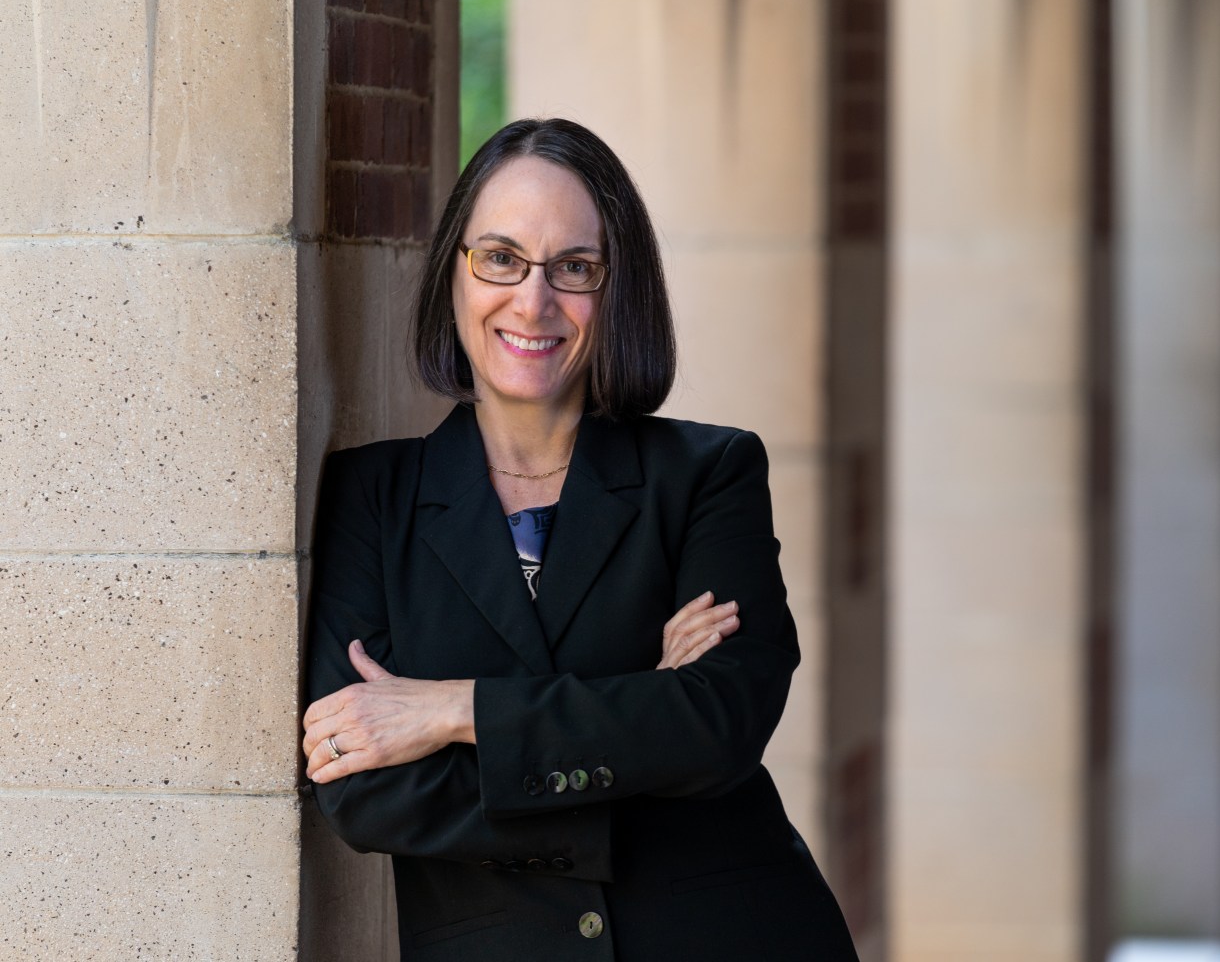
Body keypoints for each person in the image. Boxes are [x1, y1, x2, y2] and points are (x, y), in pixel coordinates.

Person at [301, 118, 858, 961]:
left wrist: (452, 710)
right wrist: (641, 716)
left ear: (618, 288)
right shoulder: (371, 498)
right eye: (501, 259)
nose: (533, 302)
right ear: (453, 272)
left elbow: (723, 724)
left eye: (574, 268)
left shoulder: (708, 475)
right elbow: (364, 790)